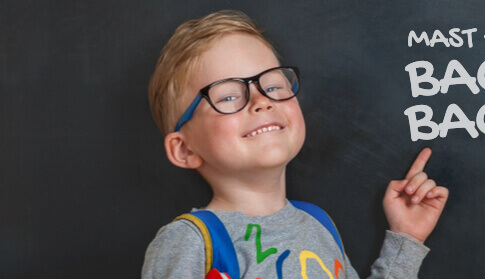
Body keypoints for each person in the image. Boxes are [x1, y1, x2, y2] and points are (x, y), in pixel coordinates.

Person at [141, 10, 448, 279]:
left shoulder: (319, 225)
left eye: (273, 85)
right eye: (229, 96)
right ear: (185, 149)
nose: (261, 101)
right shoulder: (190, 242)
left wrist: (406, 238)